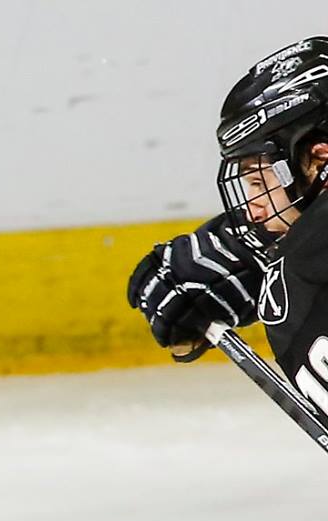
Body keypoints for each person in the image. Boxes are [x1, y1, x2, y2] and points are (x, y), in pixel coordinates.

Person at [128, 38, 328, 413]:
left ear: (320, 158)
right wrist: (249, 257)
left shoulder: (301, 276)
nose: (253, 212)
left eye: (257, 180)